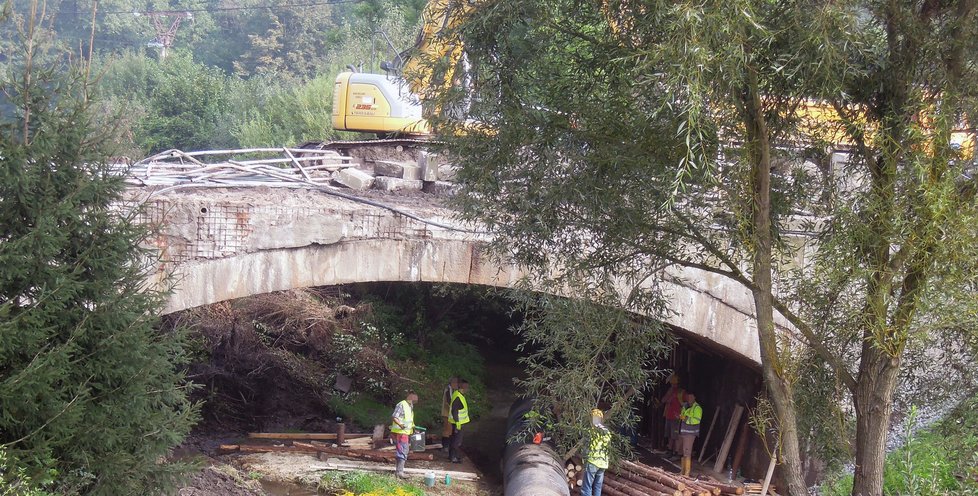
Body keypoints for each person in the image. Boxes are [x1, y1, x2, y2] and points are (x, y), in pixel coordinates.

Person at [582, 408, 612, 496]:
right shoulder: (607, 432)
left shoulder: (591, 431)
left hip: (592, 461)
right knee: (597, 487)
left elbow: (586, 448)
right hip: (603, 463)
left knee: (586, 487)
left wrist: (584, 459)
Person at [390, 391, 418, 479]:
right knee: (403, 450)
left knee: (404, 450)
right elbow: (394, 417)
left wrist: (414, 428)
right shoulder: (401, 404)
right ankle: (399, 472)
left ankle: (399, 471)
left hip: (405, 432)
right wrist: (401, 425)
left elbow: (409, 420)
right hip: (400, 432)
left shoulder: (410, 406)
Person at [678, 392, 702, 477]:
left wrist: (685, 419)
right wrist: (681, 417)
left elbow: (697, 420)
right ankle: (682, 471)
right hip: (683, 432)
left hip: (690, 433)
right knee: (683, 451)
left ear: (695, 397)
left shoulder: (697, 408)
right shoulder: (685, 406)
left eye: (691, 397)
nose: (689, 398)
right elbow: (682, 415)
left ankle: (686, 473)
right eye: (688, 397)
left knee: (687, 452)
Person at [660, 373, 685, 455]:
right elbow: (663, 400)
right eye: (672, 384)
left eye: (675, 383)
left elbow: (684, 404)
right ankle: (670, 449)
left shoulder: (682, 392)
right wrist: (669, 394)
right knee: (669, 434)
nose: (673, 385)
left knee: (675, 435)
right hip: (668, 415)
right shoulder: (669, 391)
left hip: (676, 416)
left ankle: (676, 451)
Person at [449, 379, 470, 463]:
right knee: (457, 441)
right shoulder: (458, 397)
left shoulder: (457, 394)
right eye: (467, 388)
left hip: (457, 422)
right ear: (463, 388)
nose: (467, 390)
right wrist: (457, 423)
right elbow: (455, 411)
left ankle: (452, 456)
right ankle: (453, 457)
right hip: (458, 423)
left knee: (454, 439)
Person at [440, 377, 458, 451]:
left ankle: (446, 446)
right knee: (447, 430)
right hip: (447, 413)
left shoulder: (450, 389)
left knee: (448, 430)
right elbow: (448, 401)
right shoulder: (448, 390)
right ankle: (445, 446)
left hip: (448, 413)